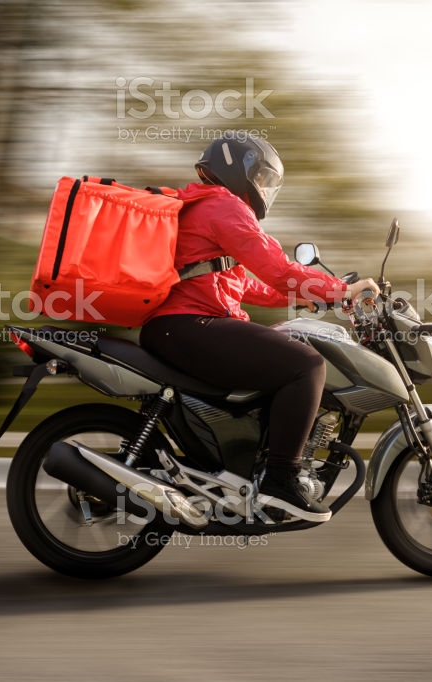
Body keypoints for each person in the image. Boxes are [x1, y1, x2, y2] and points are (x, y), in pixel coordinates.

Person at [140, 137, 378, 523]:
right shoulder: (224, 205)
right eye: (262, 176)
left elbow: (244, 285)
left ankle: (249, 468)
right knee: (306, 365)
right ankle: (280, 481)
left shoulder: (204, 206)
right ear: (240, 169)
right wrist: (341, 289)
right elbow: (278, 269)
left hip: (179, 327)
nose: (265, 188)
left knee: (281, 360)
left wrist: (301, 298)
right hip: (190, 326)